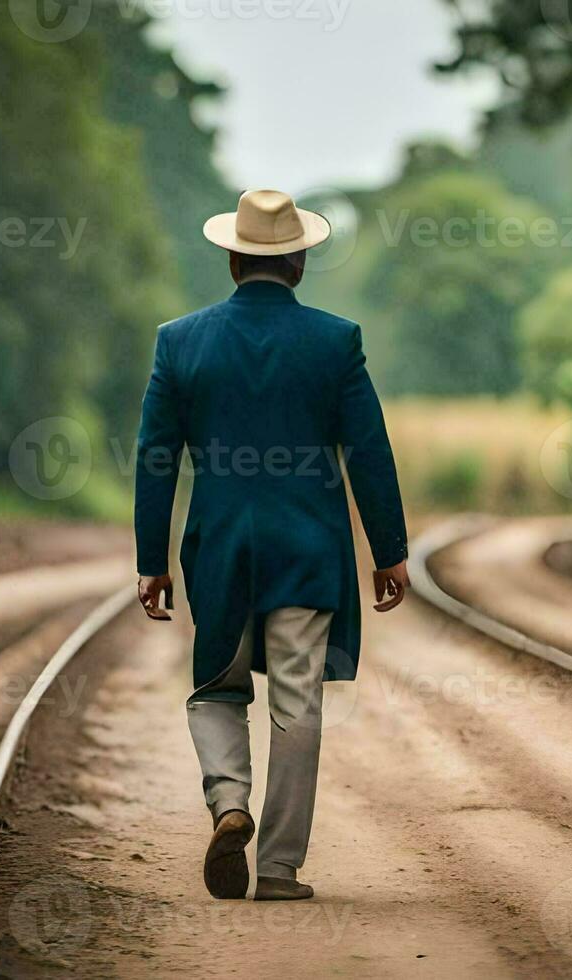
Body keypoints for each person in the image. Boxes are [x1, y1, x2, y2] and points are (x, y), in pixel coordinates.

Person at [133, 189, 411, 902]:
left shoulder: (180, 341)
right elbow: (369, 452)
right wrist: (389, 550)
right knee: (297, 703)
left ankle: (230, 803)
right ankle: (280, 868)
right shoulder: (334, 340)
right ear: (300, 260)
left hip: (220, 547)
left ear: (232, 257)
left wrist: (151, 562)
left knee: (215, 689)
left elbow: (154, 458)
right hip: (307, 549)